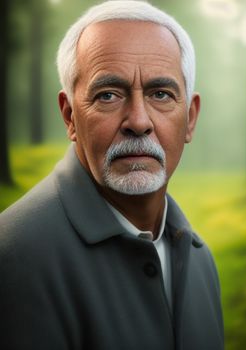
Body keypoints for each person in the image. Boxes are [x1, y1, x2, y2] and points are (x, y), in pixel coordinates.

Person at [0, 1, 224, 349]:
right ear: (70, 116)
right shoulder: (12, 260)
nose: (138, 122)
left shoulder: (199, 260)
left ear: (190, 118)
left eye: (160, 94)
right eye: (108, 95)